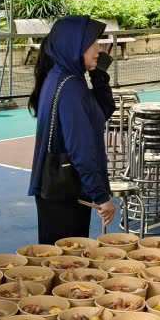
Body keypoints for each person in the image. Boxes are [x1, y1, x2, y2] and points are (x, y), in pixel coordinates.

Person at [27, 16, 118, 245]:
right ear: (74, 46)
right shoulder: (71, 87)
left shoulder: (61, 76)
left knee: (57, 258)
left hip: (57, 192)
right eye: (92, 44)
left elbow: (101, 112)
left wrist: (98, 75)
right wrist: (101, 196)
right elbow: (81, 149)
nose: (98, 49)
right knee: (67, 260)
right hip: (67, 194)